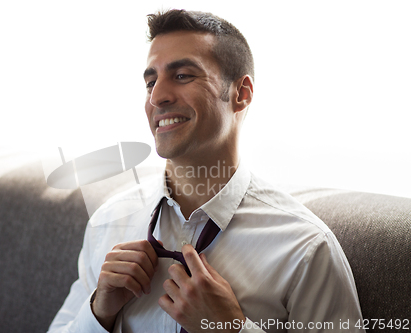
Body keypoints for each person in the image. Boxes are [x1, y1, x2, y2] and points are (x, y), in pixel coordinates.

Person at [48, 9, 365, 333]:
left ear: (240, 94)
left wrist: (233, 330)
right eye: (150, 82)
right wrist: (99, 312)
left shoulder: (305, 247)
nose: (157, 97)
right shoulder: (108, 223)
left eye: (182, 75)